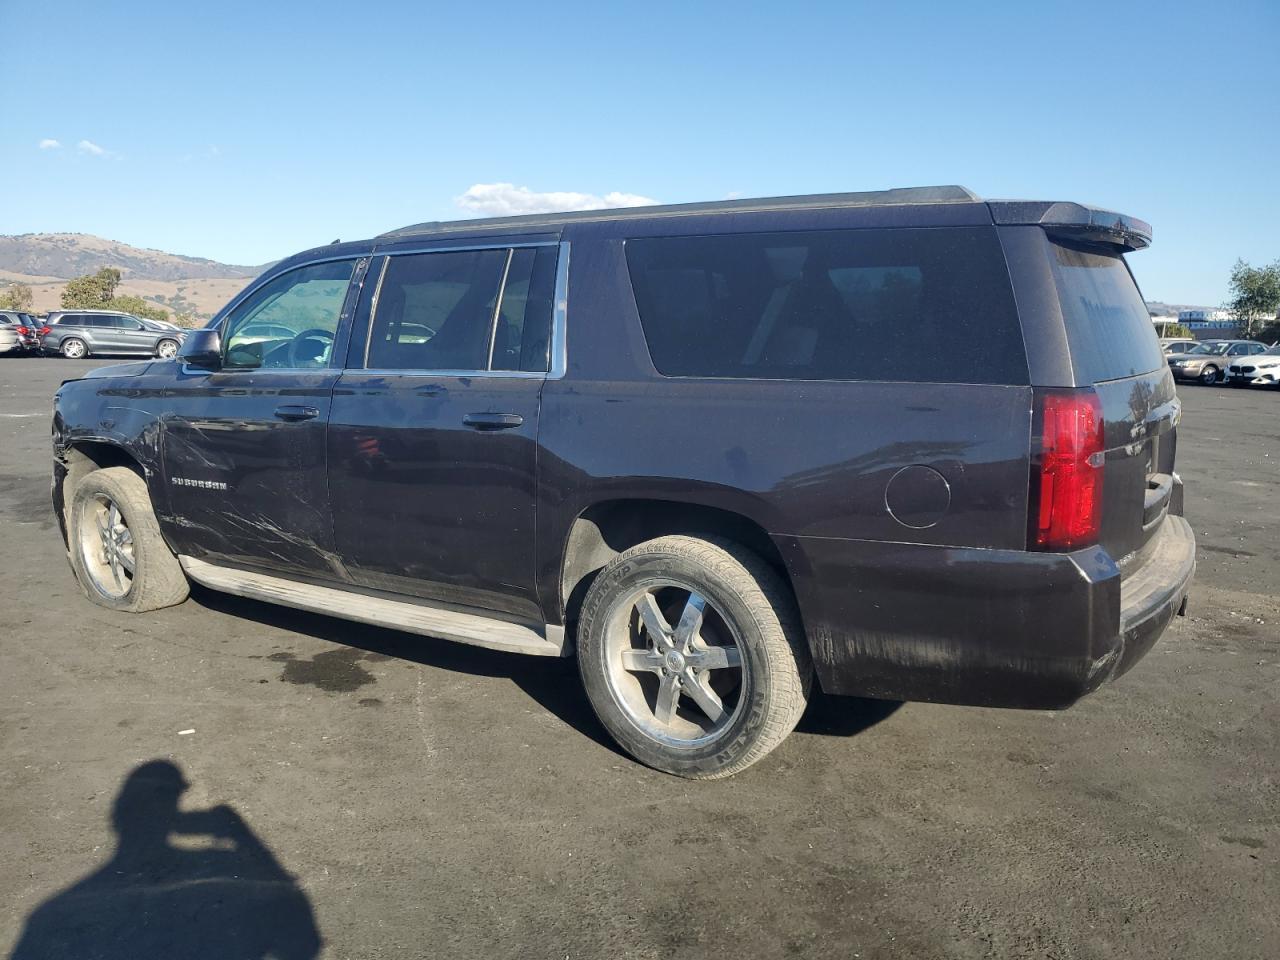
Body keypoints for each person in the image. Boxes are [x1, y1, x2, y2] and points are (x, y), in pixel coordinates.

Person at [10, 760, 321, 960]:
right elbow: (302, 941)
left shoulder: (52, 915)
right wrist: (243, 835)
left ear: (118, 815)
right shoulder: (223, 867)